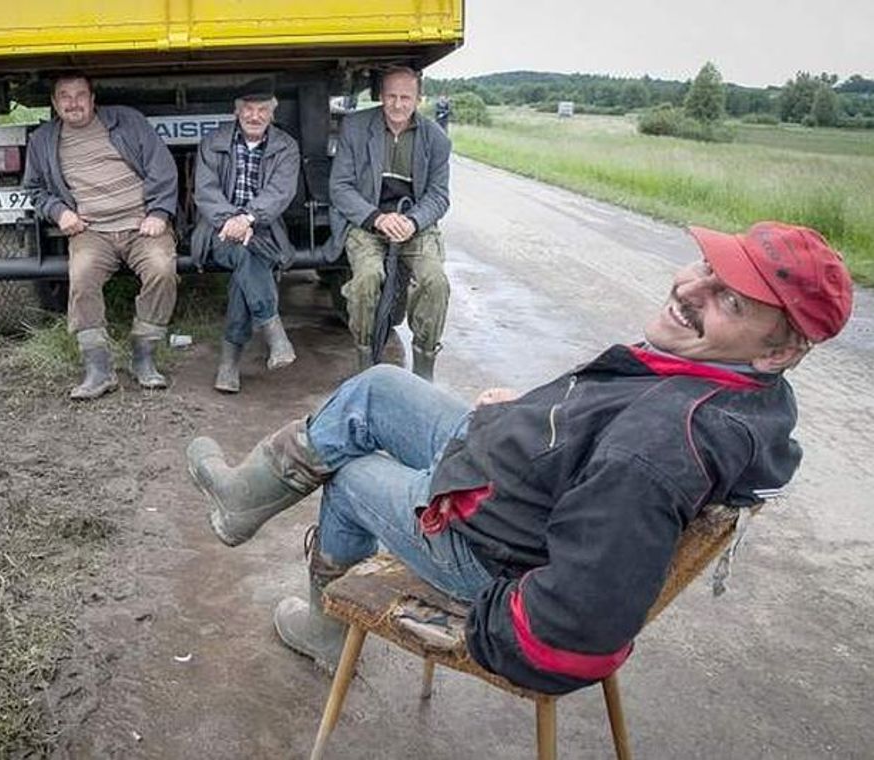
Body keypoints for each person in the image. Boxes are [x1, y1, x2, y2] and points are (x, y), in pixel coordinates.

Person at [186, 222, 853, 692]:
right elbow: (591, 433)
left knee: (352, 475)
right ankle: (244, 496)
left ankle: (326, 632)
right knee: (379, 388)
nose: (690, 289)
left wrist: (472, 629)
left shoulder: (656, 450)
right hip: (513, 480)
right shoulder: (743, 386)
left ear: (777, 350)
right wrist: (520, 418)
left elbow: (577, 626)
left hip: (486, 545)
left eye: (729, 300)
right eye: (709, 268)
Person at [23, 72, 179, 400]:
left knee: (162, 269)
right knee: (80, 278)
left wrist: (159, 213)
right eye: (64, 96)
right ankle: (98, 369)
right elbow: (35, 189)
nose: (73, 103)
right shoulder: (43, 140)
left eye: (80, 95)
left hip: (140, 226)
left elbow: (162, 168)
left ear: (94, 100)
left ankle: (144, 358)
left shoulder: (127, 122)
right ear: (54, 103)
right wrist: (59, 212)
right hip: (91, 231)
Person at [327, 66, 452, 380]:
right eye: (391, 96)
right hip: (368, 221)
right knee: (367, 278)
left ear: (419, 99)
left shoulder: (436, 138)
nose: (398, 105)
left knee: (435, 281)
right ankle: (365, 362)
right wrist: (377, 218)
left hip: (414, 224)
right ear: (380, 96)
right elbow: (340, 186)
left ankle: (424, 371)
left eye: (406, 97)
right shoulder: (355, 127)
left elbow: (439, 195)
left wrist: (412, 221)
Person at [191, 87, 302, 393]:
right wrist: (231, 220)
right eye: (249, 109)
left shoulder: (286, 147)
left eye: (262, 109)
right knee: (245, 253)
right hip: (218, 229)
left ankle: (229, 364)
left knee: (247, 263)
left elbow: (280, 192)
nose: (255, 116)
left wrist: (249, 218)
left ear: (272, 113)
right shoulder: (213, 142)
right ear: (236, 111)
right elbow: (205, 191)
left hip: (264, 229)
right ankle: (273, 329)